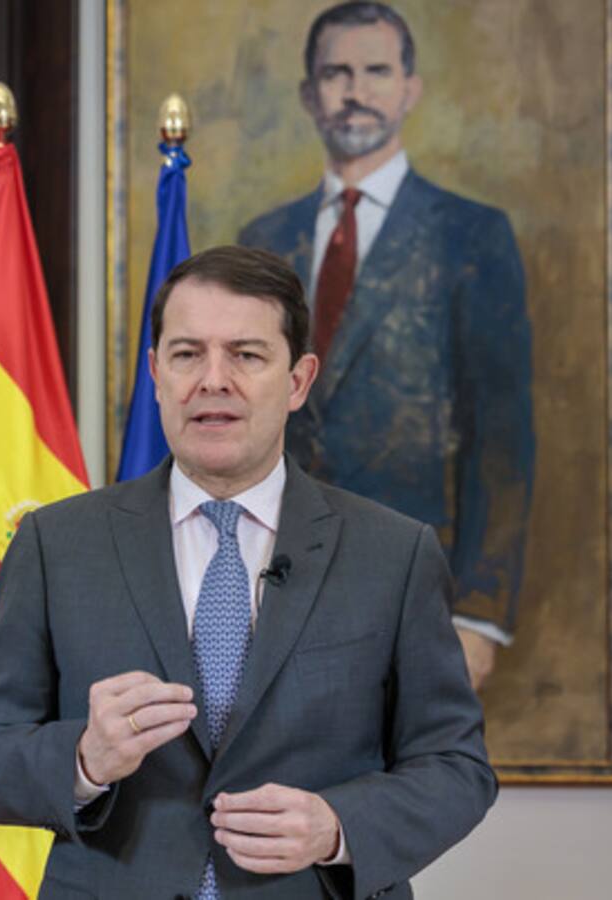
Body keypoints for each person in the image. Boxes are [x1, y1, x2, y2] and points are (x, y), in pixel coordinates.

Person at [0, 246, 496, 900]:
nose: (213, 380)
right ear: (156, 374)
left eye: (246, 355)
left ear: (298, 381)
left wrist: (336, 827)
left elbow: (456, 767)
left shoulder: (394, 553)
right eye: (187, 354)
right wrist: (85, 758)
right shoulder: (55, 544)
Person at [238, 1, 535, 690]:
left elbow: (502, 436)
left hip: (418, 583)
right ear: (309, 94)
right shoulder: (264, 238)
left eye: (375, 71)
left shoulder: (471, 235)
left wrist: (481, 612)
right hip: (270, 581)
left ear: (410, 89)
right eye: (335, 73)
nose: (355, 90)